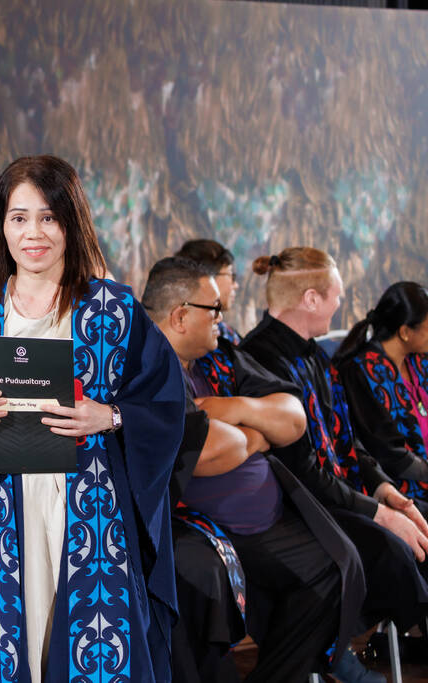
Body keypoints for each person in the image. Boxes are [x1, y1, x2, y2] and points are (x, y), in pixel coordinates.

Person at [0, 155, 185, 683]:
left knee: (92, 652)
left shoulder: (112, 312)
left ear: (72, 222)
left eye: (49, 217)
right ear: (0, 225)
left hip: (89, 507)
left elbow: (165, 405)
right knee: (8, 654)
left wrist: (112, 415)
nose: (34, 233)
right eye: (19, 217)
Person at [143, 257, 366, 683]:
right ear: (180, 315)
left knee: (335, 567)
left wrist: (241, 409)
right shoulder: (149, 368)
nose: (222, 319)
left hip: (264, 518)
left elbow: (293, 416)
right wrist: (257, 434)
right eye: (214, 309)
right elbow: (210, 451)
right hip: (201, 527)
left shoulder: (221, 357)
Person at [240, 248, 428, 636]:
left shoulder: (314, 354)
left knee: (418, 517)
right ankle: (344, 651)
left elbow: (348, 438)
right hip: (300, 505)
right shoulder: (259, 357)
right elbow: (300, 469)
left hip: (337, 490)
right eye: (337, 295)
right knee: (392, 548)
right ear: (311, 298)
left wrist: (383, 489)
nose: (342, 304)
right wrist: (379, 514)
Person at [335, 282, 428, 510]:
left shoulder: (420, 361)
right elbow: (389, 454)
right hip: (401, 490)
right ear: (405, 332)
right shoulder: (362, 371)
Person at [175, 239, 241, 344]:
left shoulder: (226, 334)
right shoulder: (189, 339)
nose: (236, 285)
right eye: (231, 275)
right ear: (208, 278)